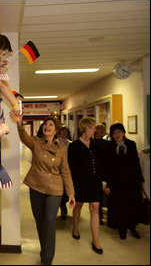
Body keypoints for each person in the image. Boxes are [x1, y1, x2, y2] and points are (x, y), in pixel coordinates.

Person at [9, 112, 75, 265]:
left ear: (56, 130)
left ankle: (47, 259)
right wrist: (20, 124)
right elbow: (24, 137)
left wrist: (70, 193)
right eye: (46, 124)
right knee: (40, 221)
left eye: (51, 125)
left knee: (50, 221)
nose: (47, 126)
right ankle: (45, 249)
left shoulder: (62, 149)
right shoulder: (36, 143)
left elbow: (65, 171)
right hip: (36, 187)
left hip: (55, 190)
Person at [68, 117, 103, 255]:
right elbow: (71, 167)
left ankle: (96, 241)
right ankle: (75, 227)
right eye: (93, 127)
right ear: (86, 128)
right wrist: (71, 186)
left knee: (95, 208)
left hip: (95, 182)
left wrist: (103, 181)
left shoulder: (96, 145)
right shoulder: (74, 146)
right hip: (79, 183)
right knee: (78, 206)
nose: (95, 130)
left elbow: (100, 164)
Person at [104, 123, 144, 240]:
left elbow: (136, 163)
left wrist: (140, 180)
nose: (117, 135)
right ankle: (122, 229)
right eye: (114, 133)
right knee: (119, 205)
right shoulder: (109, 147)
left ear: (123, 132)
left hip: (131, 181)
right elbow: (108, 167)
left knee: (132, 204)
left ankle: (132, 227)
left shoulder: (131, 144)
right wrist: (107, 183)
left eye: (119, 132)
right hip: (116, 182)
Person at [93, 124, 110, 225]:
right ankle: (98, 215)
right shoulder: (92, 142)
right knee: (98, 194)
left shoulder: (107, 143)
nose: (102, 131)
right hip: (96, 172)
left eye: (104, 129)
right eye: (100, 129)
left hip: (106, 170)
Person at [56, 126, 72, 219]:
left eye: (66, 132)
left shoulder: (71, 144)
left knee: (66, 189)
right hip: (57, 170)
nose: (64, 133)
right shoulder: (55, 142)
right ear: (59, 132)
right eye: (63, 131)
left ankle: (63, 205)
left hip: (67, 169)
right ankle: (61, 206)